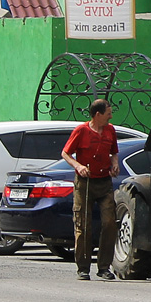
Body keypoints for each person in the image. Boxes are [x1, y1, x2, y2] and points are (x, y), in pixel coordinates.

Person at [62, 99, 120, 281]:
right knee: (83, 225)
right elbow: (65, 153)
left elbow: (114, 152)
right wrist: (78, 166)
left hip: (104, 182)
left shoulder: (110, 130)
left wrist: (115, 164)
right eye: (108, 113)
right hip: (84, 183)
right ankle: (83, 267)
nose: (111, 116)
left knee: (109, 223)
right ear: (98, 115)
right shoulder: (81, 131)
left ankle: (104, 267)